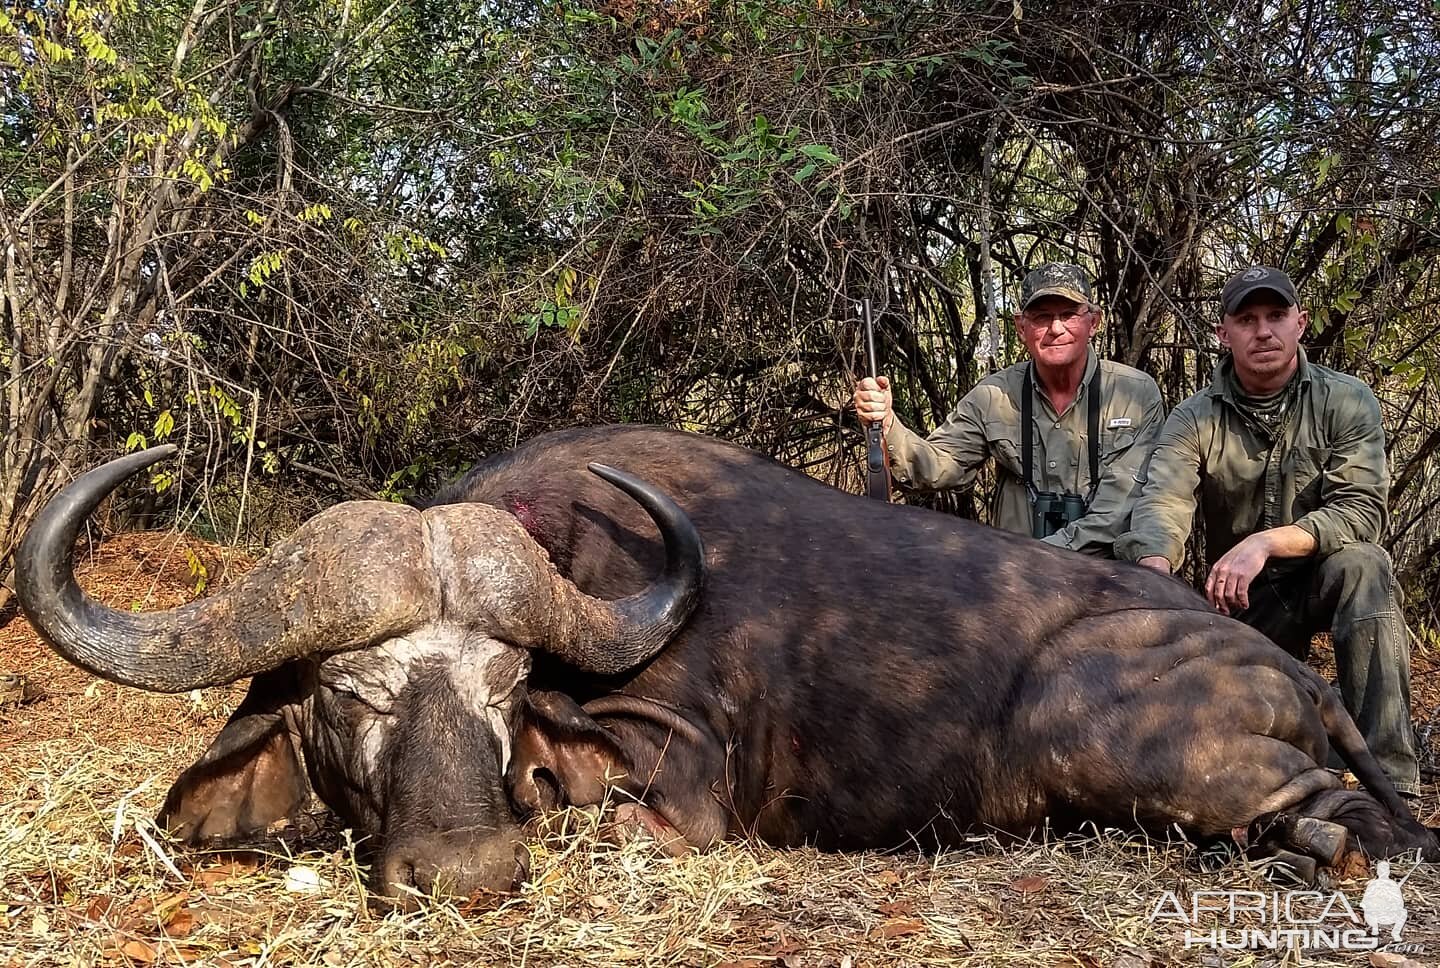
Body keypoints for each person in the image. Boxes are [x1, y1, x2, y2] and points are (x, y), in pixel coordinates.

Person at [1115, 265, 1420, 797]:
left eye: (1276, 316)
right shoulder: (1193, 417)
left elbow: (1361, 510)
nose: (1263, 331)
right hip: (1239, 602)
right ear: (1223, 333)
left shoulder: (1345, 400)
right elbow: (1163, 502)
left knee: (1365, 565)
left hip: (1316, 576)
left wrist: (1265, 542)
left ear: (1300, 324)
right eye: (1247, 319)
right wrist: (1154, 575)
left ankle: (1391, 784)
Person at [853, 262, 1165, 558]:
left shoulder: (1135, 395)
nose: (1056, 329)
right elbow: (939, 466)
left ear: (1093, 322)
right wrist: (888, 422)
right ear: (1021, 327)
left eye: (1069, 314)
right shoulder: (994, 395)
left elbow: (1117, 512)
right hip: (1013, 585)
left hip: (1101, 578)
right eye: (1041, 317)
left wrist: (1039, 558)